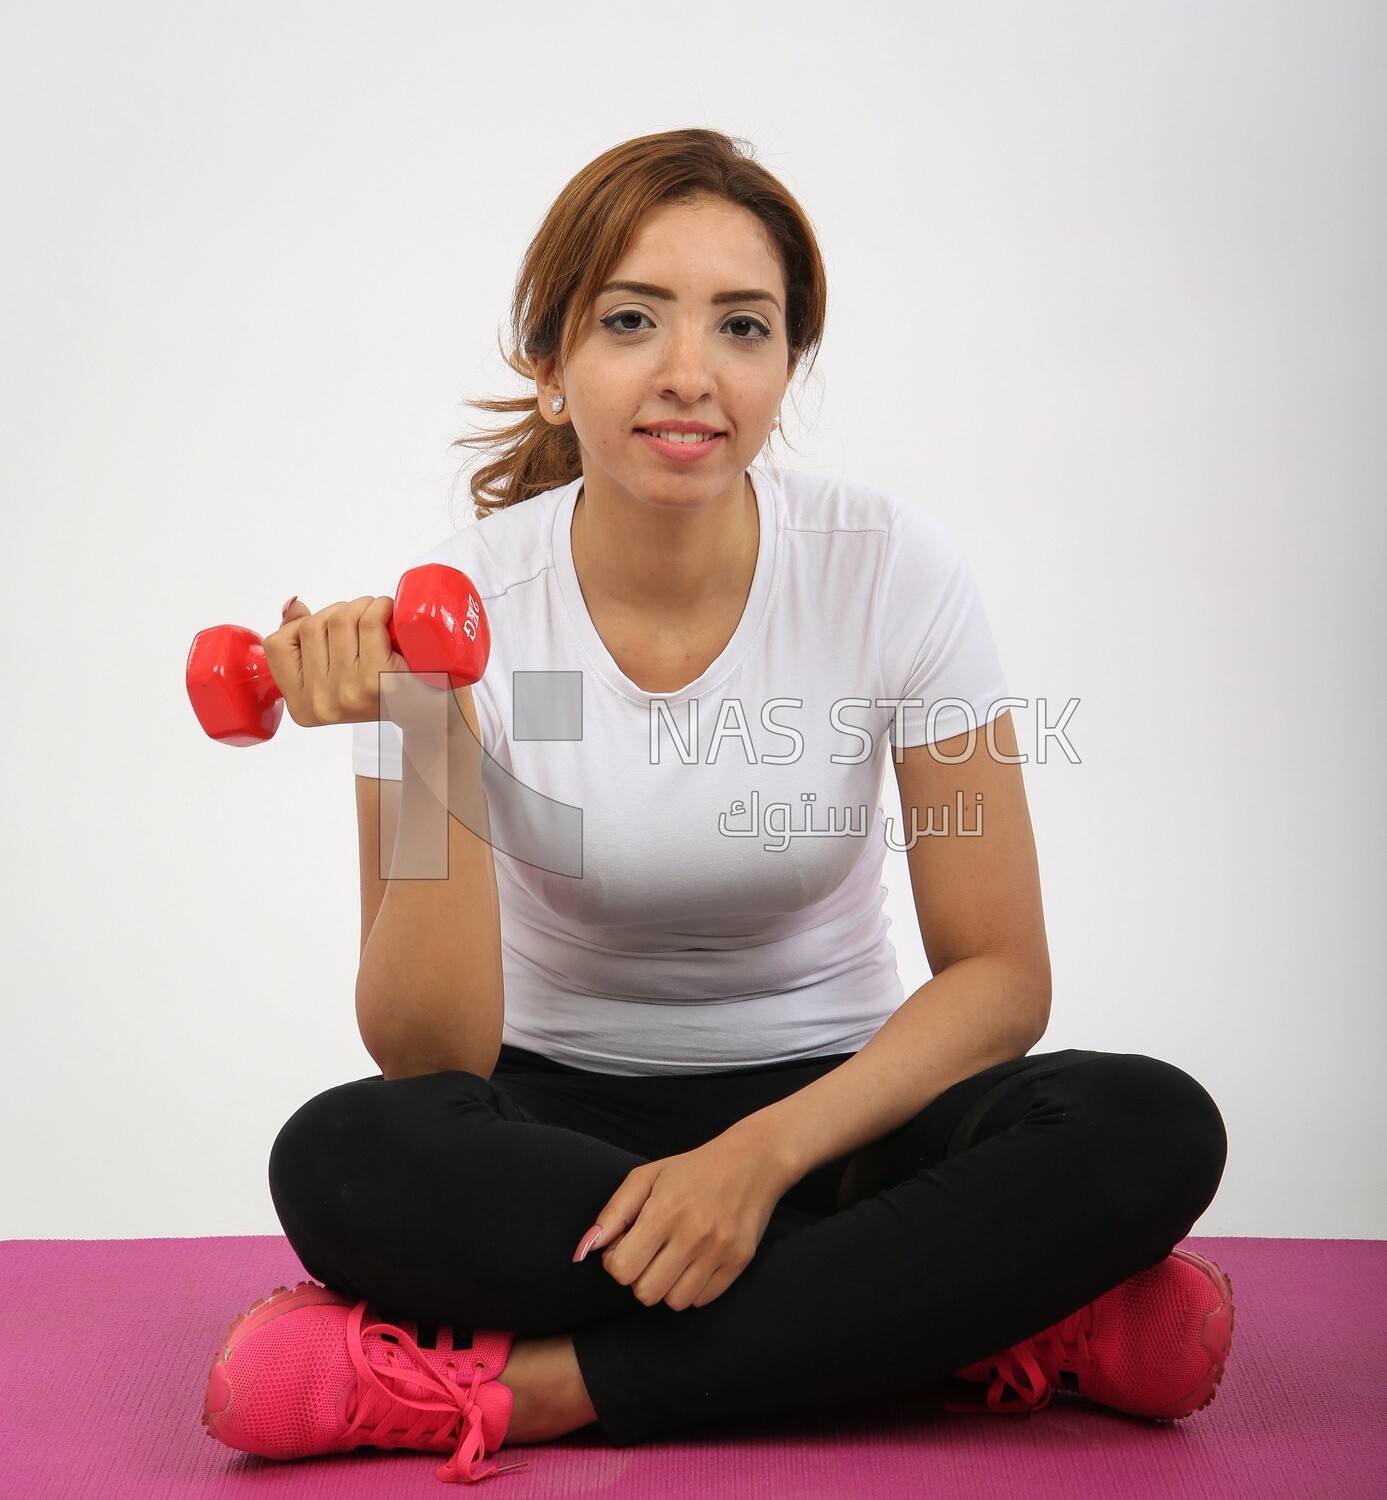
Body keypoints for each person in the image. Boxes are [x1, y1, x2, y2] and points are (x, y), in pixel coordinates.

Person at [199, 129, 1232, 1486]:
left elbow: (1000, 975)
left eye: (742, 325)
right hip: (557, 1143)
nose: (690, 372)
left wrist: (757, 1160)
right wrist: (425, 720)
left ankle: (540, 1387)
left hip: (846, 1123)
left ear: (786, 365)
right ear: (550, 366)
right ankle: (982, 1313)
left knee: (1148, 1125)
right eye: (631, 320)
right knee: (341, 1158)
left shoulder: (890, 576)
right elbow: (429, 1053)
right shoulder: (460, 613)